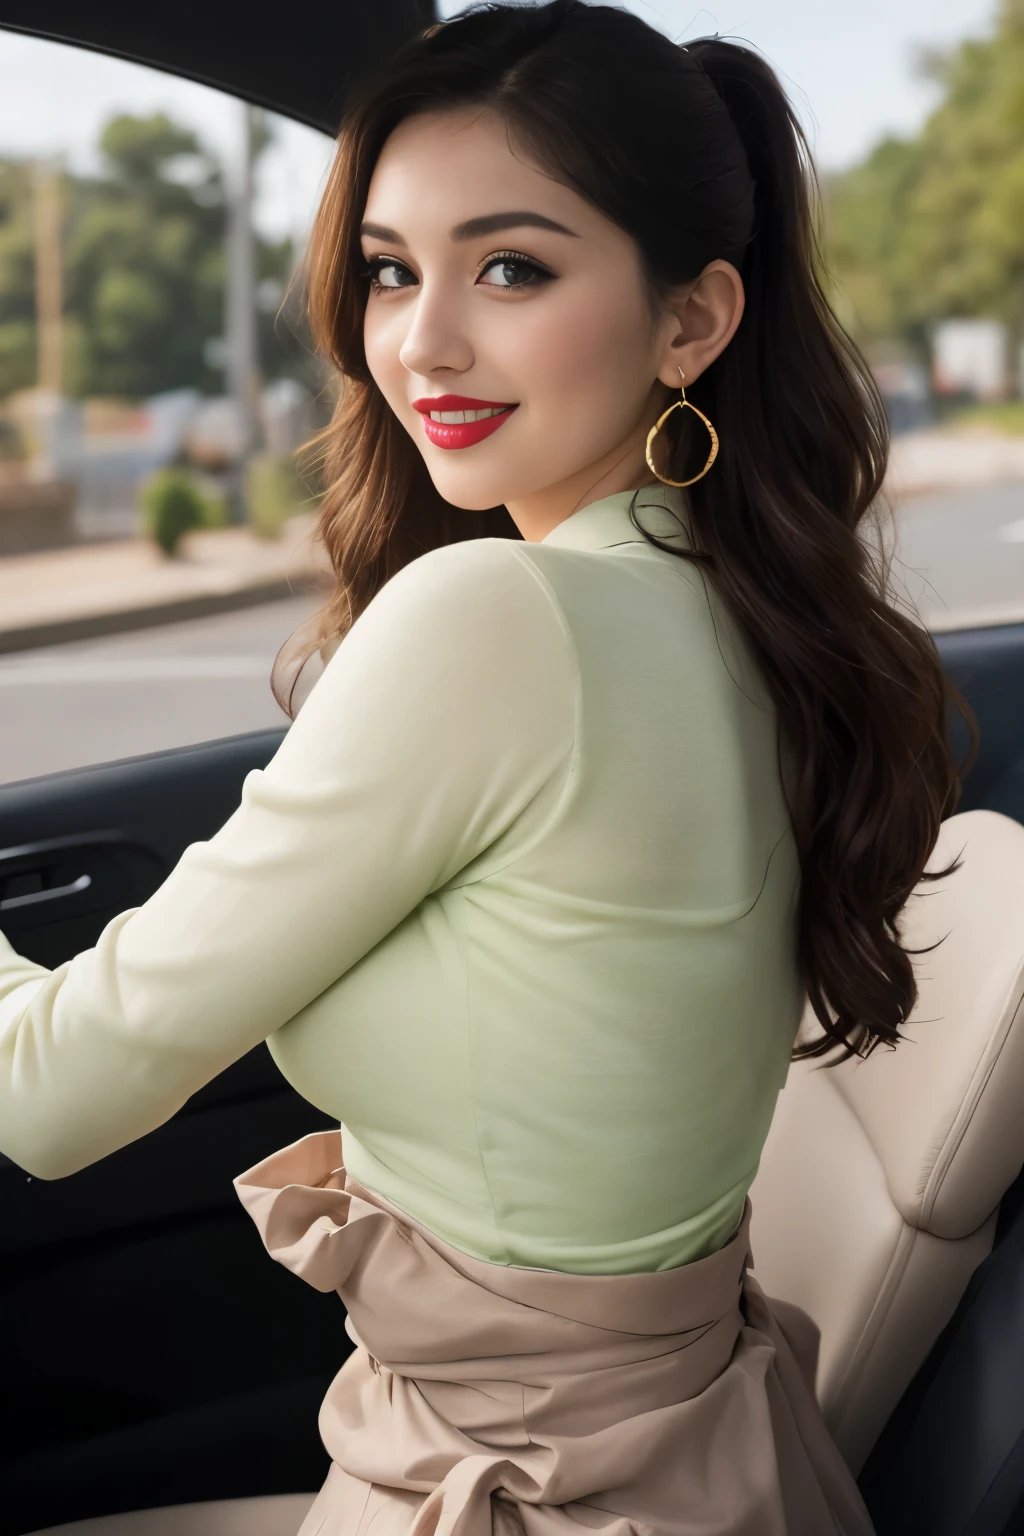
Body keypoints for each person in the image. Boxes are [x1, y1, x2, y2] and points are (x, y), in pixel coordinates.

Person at [0, 2, 970, 1531]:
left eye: (511, 267)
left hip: (522, 1496)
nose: (421, 340)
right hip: (694, 1461)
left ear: (691, 320)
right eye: (393, 269)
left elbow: (46, 1096)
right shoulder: (734, 606)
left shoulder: (502, 615)